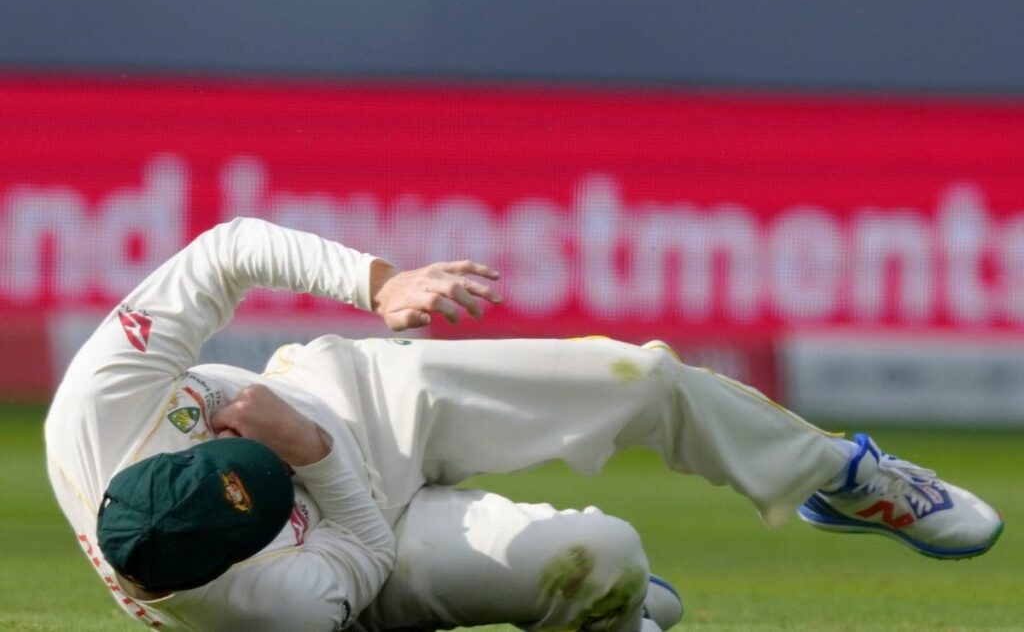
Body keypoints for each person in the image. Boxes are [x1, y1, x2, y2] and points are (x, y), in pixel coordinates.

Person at [45, 218, 1003, 632]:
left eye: (225, 448)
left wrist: (383, 283)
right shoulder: (257, 608)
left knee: (639, 374)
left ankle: (843, 475)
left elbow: (230, 250)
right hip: (375, 536)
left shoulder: (99, 398)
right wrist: (312, 457)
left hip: (361, 394)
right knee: (605, 558)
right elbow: (367, 553)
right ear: (230, 557)